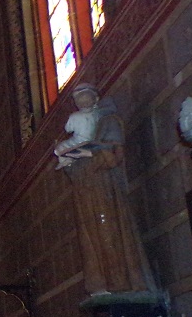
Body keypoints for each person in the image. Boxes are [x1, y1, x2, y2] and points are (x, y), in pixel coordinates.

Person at [57, 83, 154, 296]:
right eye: (77, 99)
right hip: (86, 187)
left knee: (109, 229)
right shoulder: (79, 121)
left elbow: (112, 154)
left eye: (85, 97)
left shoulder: (108, 121)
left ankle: (120, 282)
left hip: (104, 187)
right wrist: (72, 157)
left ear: (95, 98)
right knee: (90, 234)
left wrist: (87, 155)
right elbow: (68, 157)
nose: (81, 102)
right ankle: (100, 283)